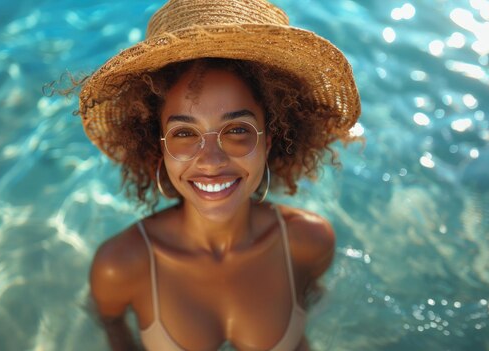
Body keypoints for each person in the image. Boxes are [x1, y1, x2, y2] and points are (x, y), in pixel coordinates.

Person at [79, 0, 361, 350]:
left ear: (270, 139)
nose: (211, 161)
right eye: (184, 133)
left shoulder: (310, 242)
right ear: (159, 146)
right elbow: (112, 326)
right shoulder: (120, 266)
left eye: (237, 130)